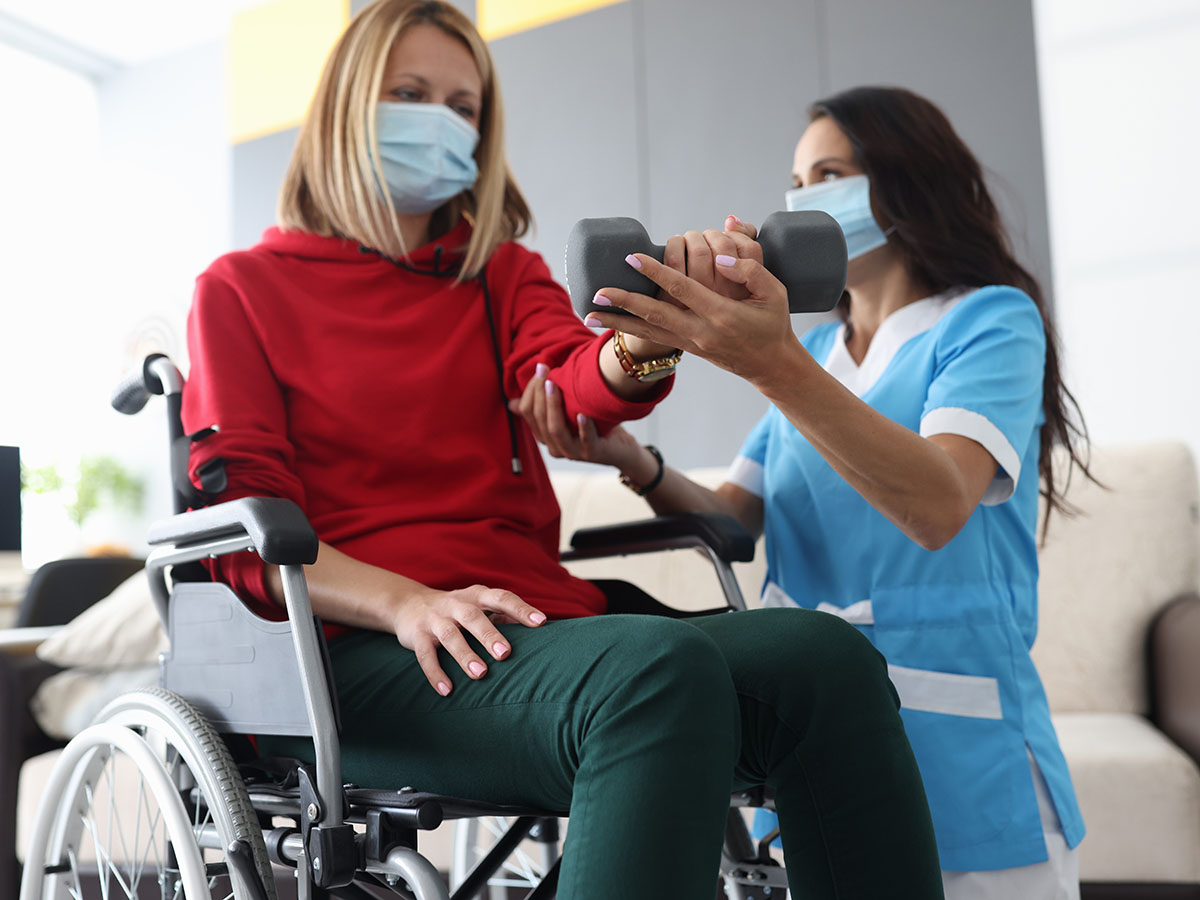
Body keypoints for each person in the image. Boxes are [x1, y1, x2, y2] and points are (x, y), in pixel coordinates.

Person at [182, 4, 945, 897]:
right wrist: (406, 602)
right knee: (654, 673)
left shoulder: (498, 274)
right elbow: (244, 535)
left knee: (826, 664)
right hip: (362, 652)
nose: (444, 121)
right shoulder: (241, 291)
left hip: (535, 630)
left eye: (465, 106)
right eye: (412, 94)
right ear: (347, 107)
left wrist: (651, 331)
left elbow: (575, 377)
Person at [523, 86, 1089, 900]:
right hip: (810, 735)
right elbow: (735, 520)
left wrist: (768, 361)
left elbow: (937, 504)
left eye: (830, 171)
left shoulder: (988, 322)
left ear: (906, 181)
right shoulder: (814, 349)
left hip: (958, 741)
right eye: (796, 180)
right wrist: (630, 461)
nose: (803, 197)